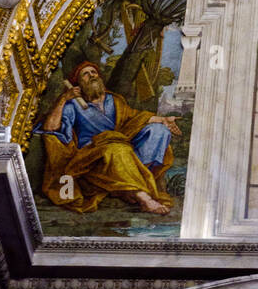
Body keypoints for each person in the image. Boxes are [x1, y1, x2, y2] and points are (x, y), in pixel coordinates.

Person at [37, 61, 179, 215]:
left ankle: (132, 183)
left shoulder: (114, 100)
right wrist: (63, 99)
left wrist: (164, 120)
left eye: (94, 72)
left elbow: (135, 118)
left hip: (122, 150)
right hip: (92, 158)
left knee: (159, 131)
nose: (91, 76)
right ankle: (143, 198)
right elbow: (50, 128)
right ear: (77, 83)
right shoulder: (73, 105)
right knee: (117, 149)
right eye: (86, 74)